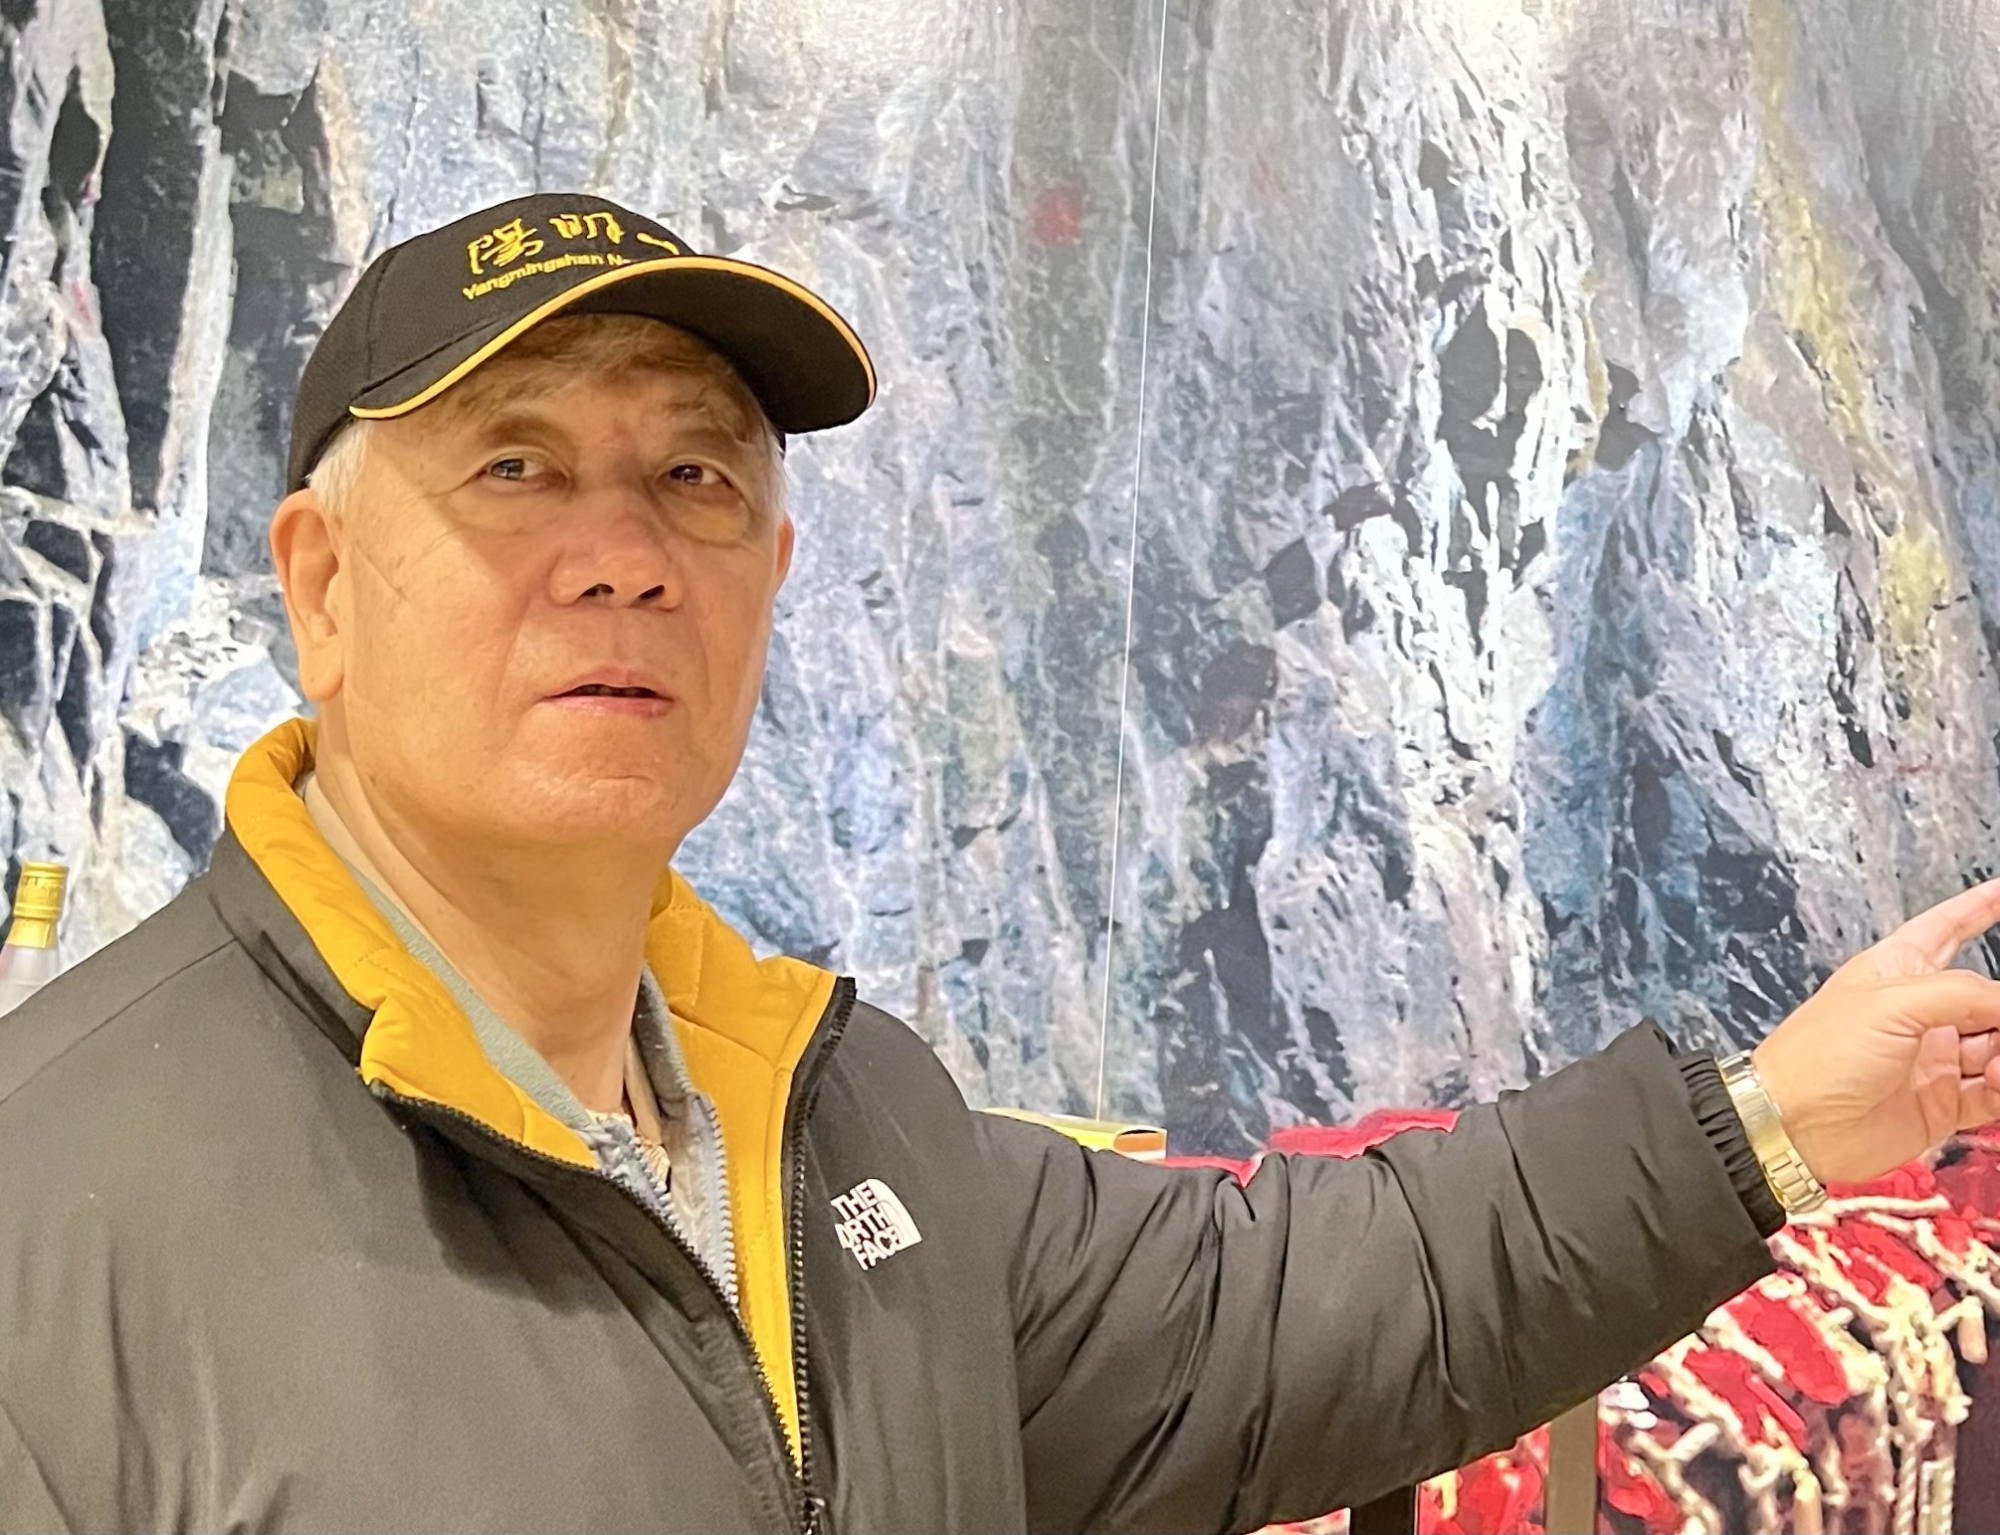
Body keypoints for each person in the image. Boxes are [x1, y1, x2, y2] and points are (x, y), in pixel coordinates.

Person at [1, 191, 1997, 1535]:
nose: (621, 554)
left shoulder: (844, 1128)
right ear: (320, 586)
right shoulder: (56, 1219)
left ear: (771, 578)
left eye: (695, 475)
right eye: (514, 466)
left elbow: (1277, 1311)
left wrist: (1778, 1119)